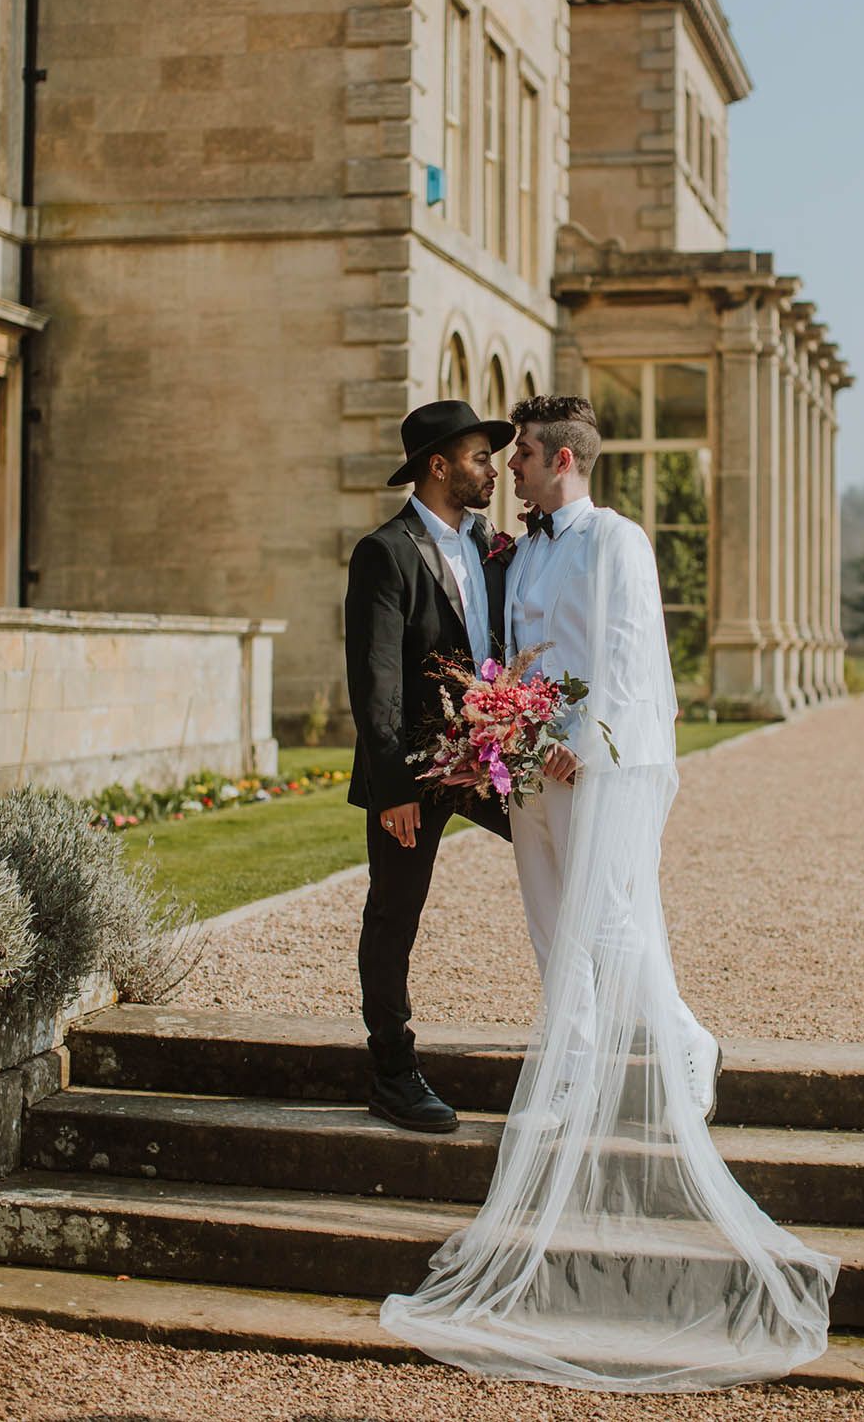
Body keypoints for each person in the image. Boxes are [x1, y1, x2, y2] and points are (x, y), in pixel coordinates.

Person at [381, 396, 838, 1390]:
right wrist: (506, 731)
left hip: (596, 765)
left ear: (558, 460)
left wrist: (588, 748)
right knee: (550, 920)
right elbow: (513, 651)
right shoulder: (523, 549)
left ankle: (683, 1042)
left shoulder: (616, 541)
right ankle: (577, 1055)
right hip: (527, 760)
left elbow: (630, 660)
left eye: (523, 457)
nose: (510, 470)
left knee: (612, 916)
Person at [345, 400, 515, 1134]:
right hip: (414, 771)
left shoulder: (489, 543)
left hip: (491, 758)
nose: (495, 469)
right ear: (439, 466)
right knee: (393, 915)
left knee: (570, 851)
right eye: (481, 458)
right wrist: (393, 790)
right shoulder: (384, 552)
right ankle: (393, 1071)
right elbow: (374, 679)